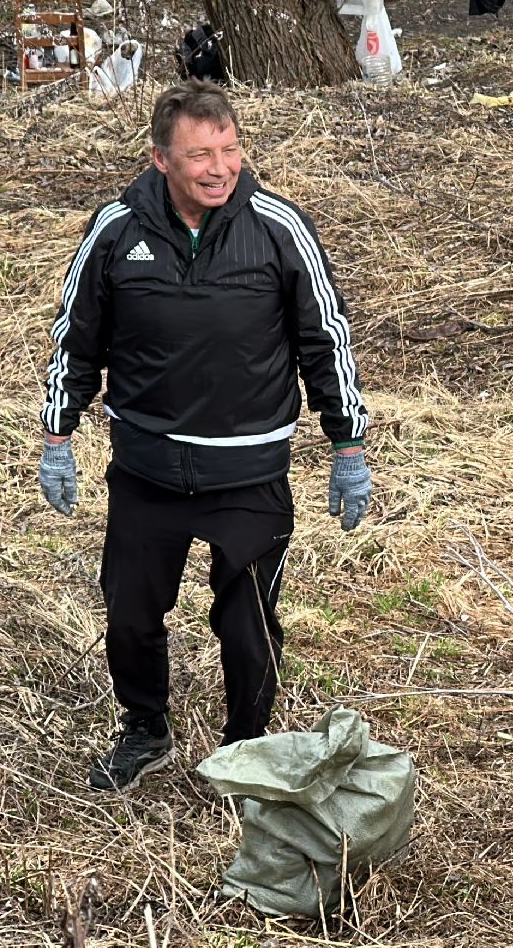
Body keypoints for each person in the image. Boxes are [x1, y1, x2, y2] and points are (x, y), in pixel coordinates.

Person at [38, 79, 373, 794]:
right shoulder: (117, 230)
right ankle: (144, 731)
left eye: (228, 149)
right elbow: (77, 339)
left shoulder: (278, 227)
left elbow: (326, 340)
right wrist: (57, 436)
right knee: (130, 615)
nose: (219, 167)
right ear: (162, 160)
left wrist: (348, 446)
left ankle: (245, 749)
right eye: (200, 155)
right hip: (146, 473)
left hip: (247, 478)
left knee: (249, 626)